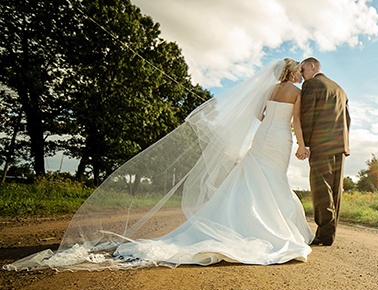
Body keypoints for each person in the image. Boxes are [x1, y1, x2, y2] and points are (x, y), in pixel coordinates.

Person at [5, 59, 315, 270]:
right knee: (274, 178)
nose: (302, 75)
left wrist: (271, 120)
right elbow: (296, 121)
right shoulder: (296, 92)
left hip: (263, 137)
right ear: (292, 73)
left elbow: (258, 115)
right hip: (280, 139)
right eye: (299, 71)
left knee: (253, 175)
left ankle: (240, 219)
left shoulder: (268, 89)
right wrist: (301, 144)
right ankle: (270, 225)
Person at [299, 57, 350, 247]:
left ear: (312, 66)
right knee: (335, 190)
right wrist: (344, 143)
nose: (303, 76)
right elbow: (347, 120)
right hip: (340, 145)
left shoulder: (312, 84)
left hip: (321, 144)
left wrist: (305, 144)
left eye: (303, 71)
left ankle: (324, 233)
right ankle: (328, 233)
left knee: (321, 188)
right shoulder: (340, 89)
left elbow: (307, 115)